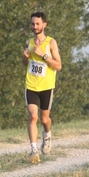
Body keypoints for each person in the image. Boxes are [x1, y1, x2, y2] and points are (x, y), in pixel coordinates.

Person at [22, 12, 62, 163]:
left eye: (38, 24)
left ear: (44, 25)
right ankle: (33, 151)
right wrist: (25, 57)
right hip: (31, 85)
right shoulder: (29, 42)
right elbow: (26, 65)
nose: (35, 27)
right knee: (33, 116)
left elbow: (58, 66)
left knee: (45, 119)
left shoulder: (51, 43)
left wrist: (44, 55)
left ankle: (47, 134)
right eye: (33, 24)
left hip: (46, 87)